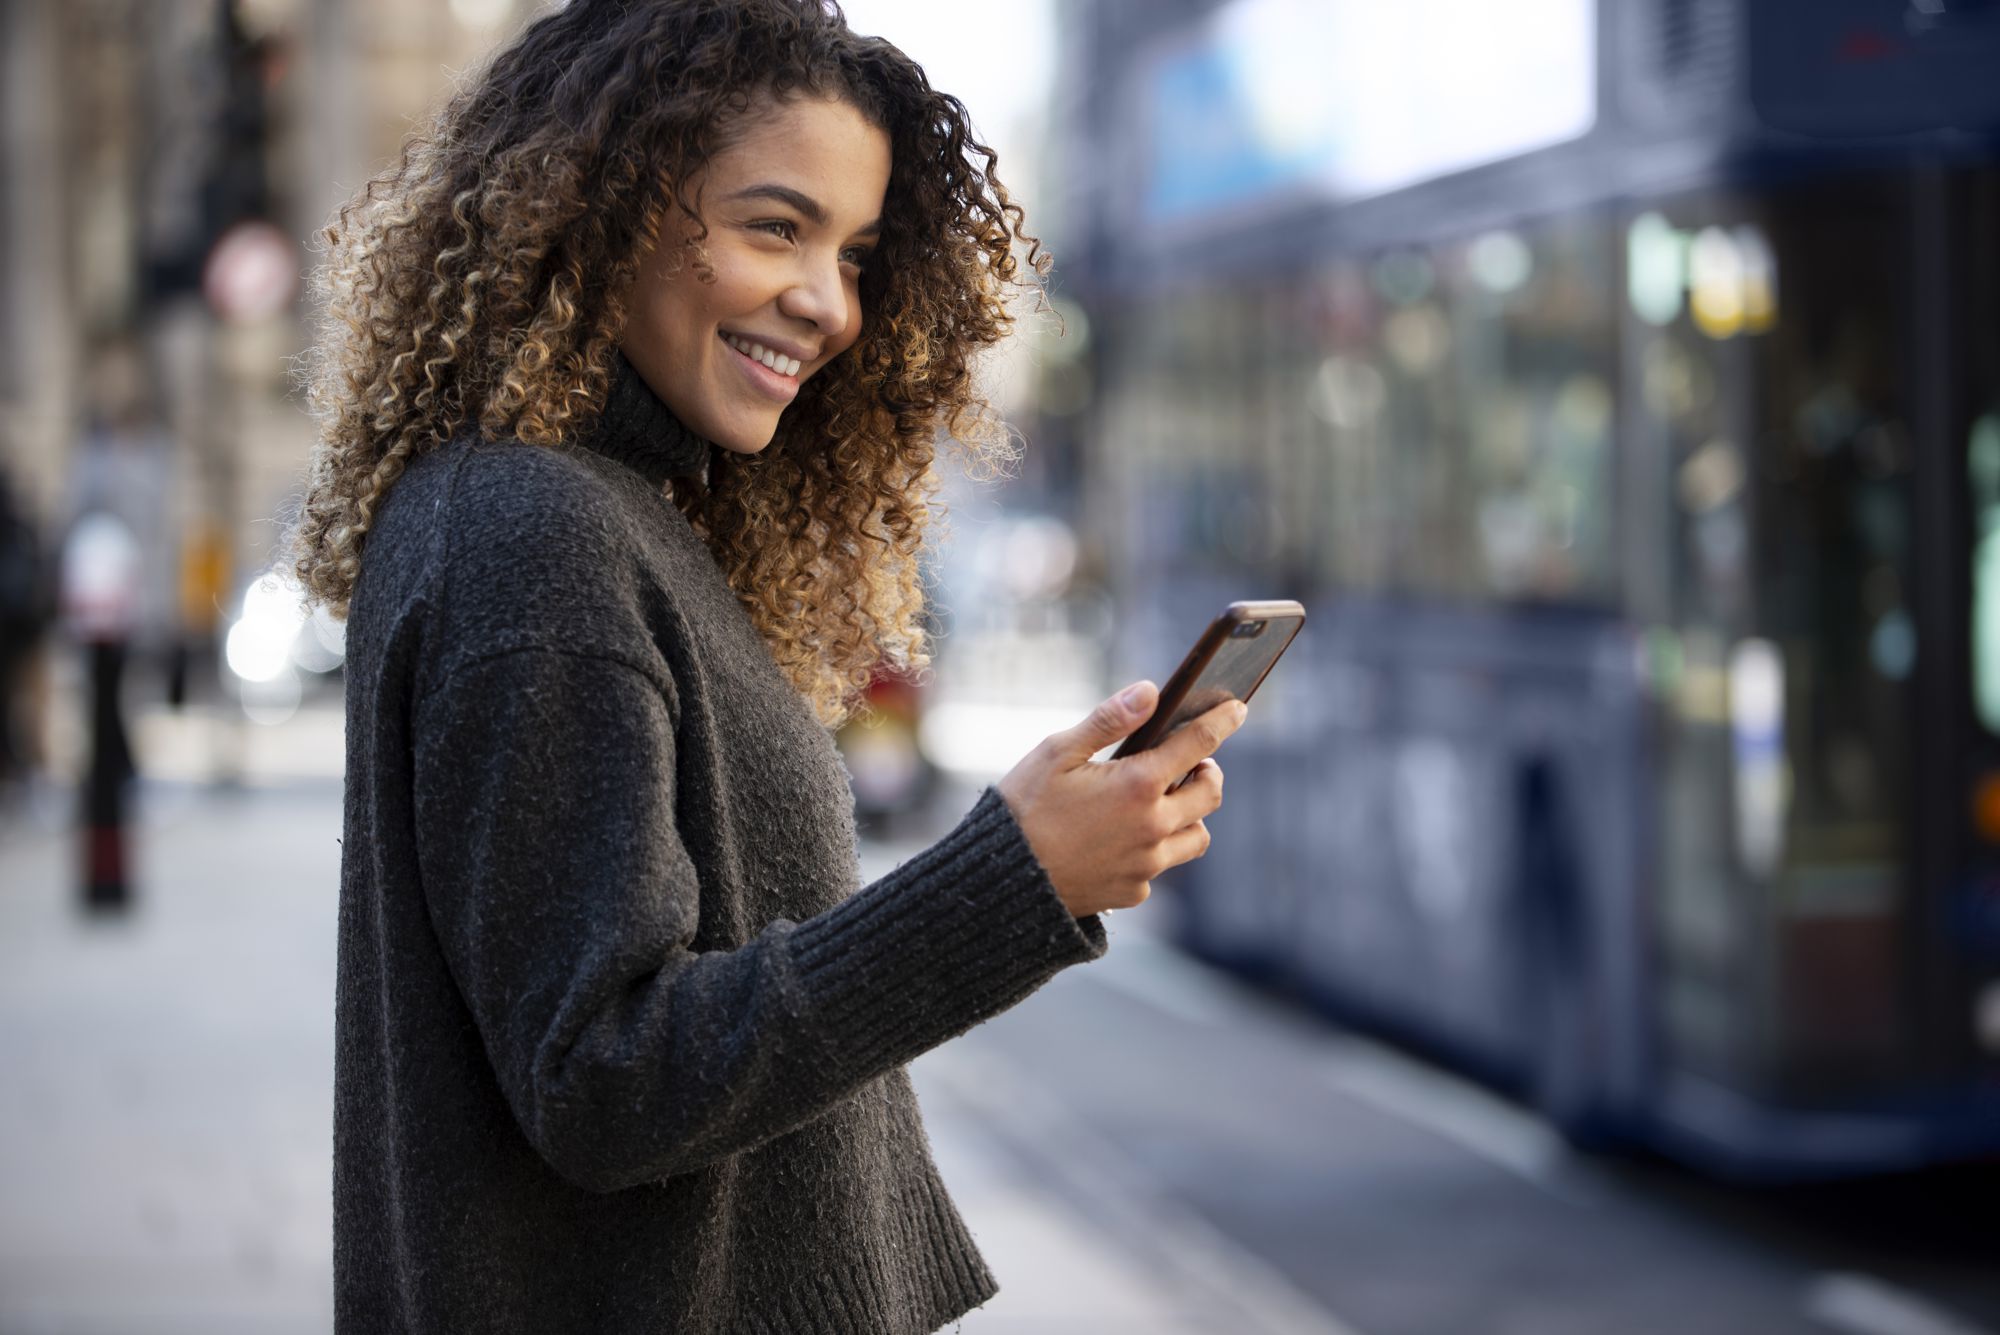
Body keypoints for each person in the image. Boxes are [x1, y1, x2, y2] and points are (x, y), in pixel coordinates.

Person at [288, 2, 1243, 1330]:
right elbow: (606, 1077)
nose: (828, 303)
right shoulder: (533, 537)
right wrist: (1010, 883)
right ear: (602, 204)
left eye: (852, 251)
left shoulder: (608, 513)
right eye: (774, 227)